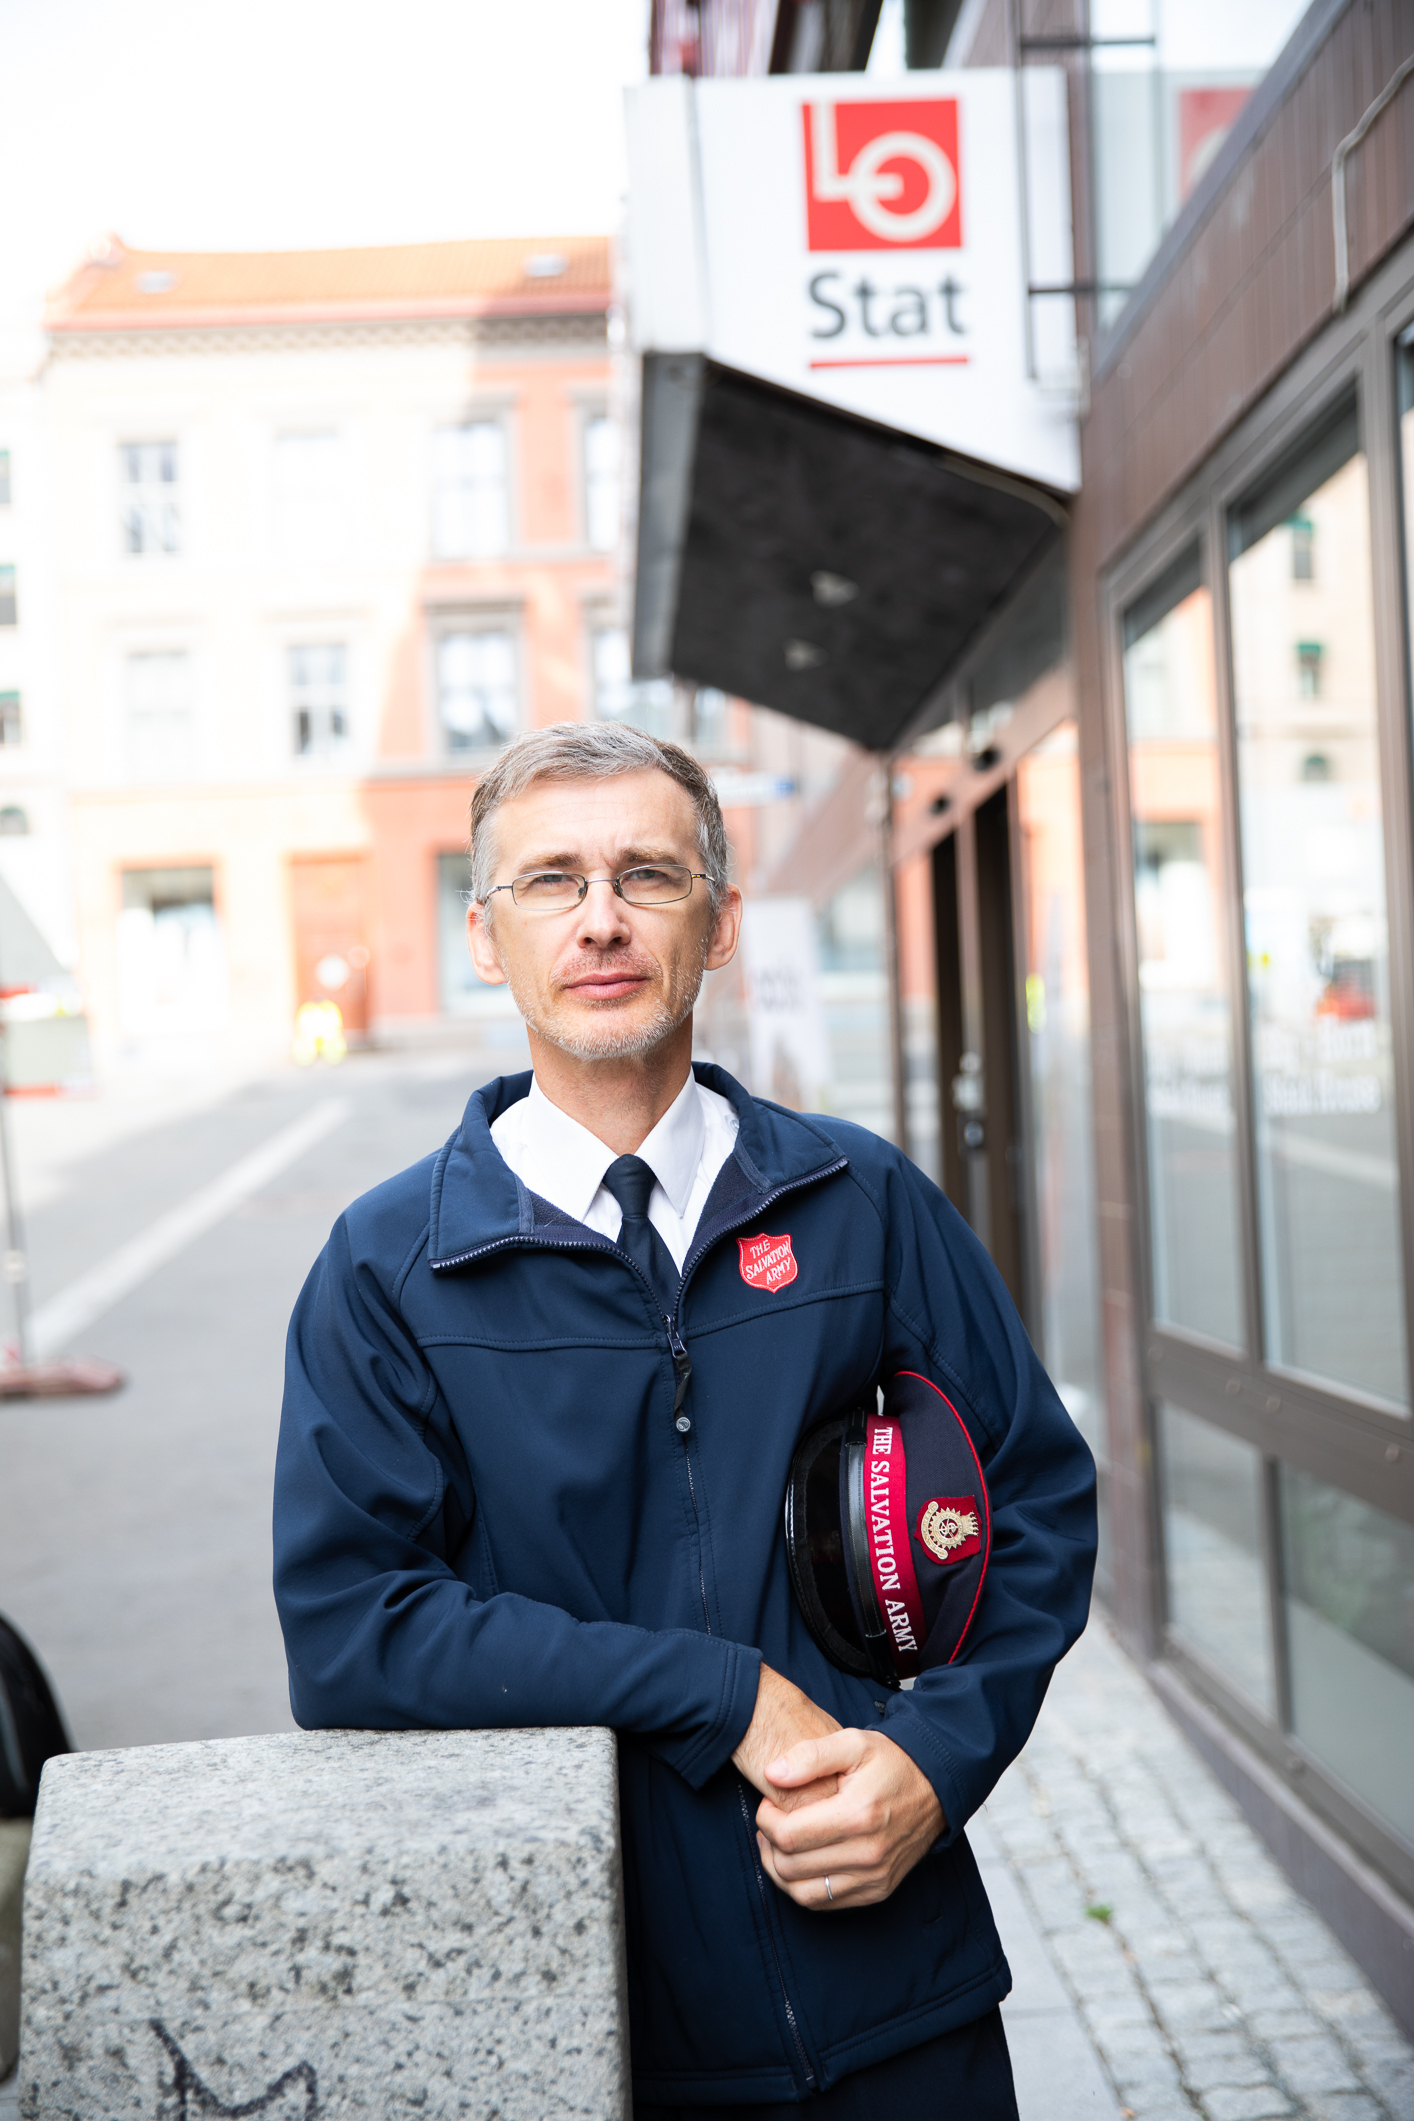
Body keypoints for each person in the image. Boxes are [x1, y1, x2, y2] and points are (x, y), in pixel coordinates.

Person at [274, 721, 1097, 2118]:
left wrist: (933, 1760)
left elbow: (1032, 1505)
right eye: (550, 880)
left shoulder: (861, 1202)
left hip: (905, 2002)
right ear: (485, 933)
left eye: (648, 875)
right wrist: (713, 1693)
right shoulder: (388, 1268)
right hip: (603, 2029)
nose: (600, 918)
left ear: (716, 924)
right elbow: (354, 1629)